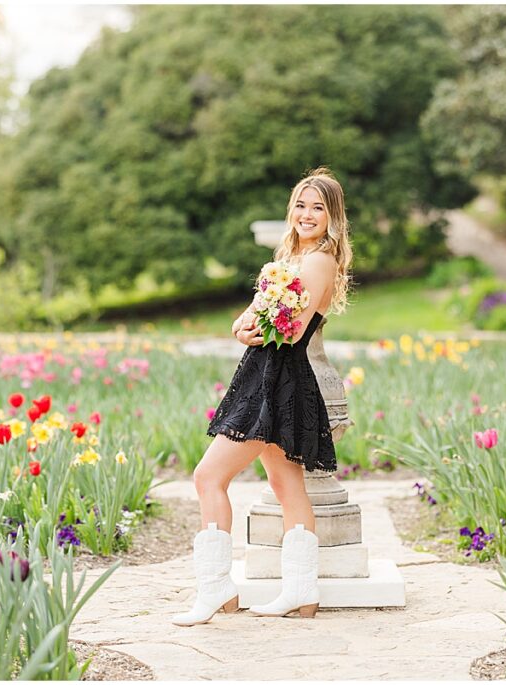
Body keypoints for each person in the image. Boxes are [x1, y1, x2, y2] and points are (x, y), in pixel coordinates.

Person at [171, 167, 352, 626]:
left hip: (279, 379)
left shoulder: (318, 261)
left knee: (207, 477)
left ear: (333, 218)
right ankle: (300, 592)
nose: (307, 214)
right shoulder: (289, 256)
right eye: (301, 204)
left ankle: (215, 590)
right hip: (269, 374)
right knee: (285, 485)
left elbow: (289, 330)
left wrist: (253, 330)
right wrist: (242, 324)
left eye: (318, 208)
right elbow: (251, 314)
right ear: (291, 208)